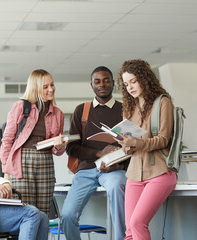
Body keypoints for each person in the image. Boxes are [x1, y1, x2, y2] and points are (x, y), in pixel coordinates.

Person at [61, 66, 127, 240]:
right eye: (97, 81)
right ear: (91, 84)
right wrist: (99, 153)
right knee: (67, 215)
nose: (102, 84)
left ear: (113, 83)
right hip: (86, 171)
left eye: (106, 80)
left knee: (118, 188)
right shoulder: (81, 110)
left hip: (115, 170)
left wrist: (117, 163)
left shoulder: (125, 109)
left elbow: (134, 146)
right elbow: (71, 148)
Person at [116, 59, 177, 240]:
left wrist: (136, 143)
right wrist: (125, 144)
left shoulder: (163, 102)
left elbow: (163, 139)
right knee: (129, 231)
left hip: (159, 173)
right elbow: (131, 149)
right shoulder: (129, 108)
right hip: (134, 174)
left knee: (137, 224)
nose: (130, 87)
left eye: (133, 81)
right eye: (126, 84)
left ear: (144, 78)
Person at [0, 69, 66, 215]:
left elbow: (56, 150)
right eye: (45, 87)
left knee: (43, 214)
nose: (51, 89)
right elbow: (7, 140)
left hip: (45, 162)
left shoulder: (58, 113)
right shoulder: (21, 107)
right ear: (35, 88)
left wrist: (60, 147)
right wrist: (6, 170)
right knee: (26, 212)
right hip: (22, 161)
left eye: (52, 85)